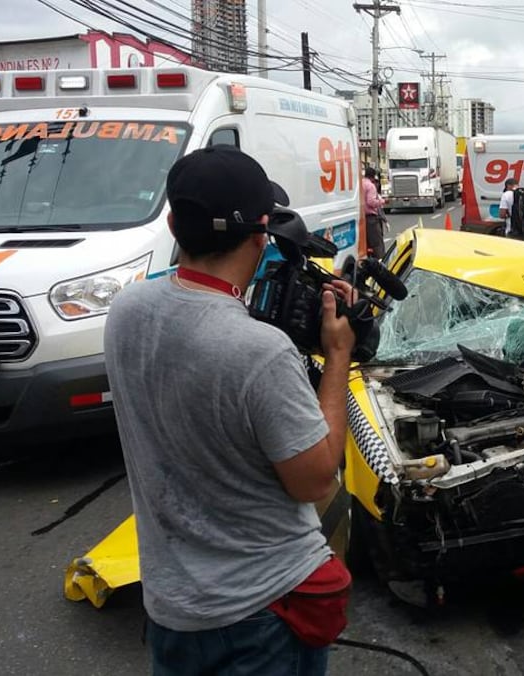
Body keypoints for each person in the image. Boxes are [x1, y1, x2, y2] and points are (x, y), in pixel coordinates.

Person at [104, 146, 356, 676]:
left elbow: (201, 351)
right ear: (262, 234)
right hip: (262, 616)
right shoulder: (259, 352)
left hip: (173, 610)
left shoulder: (125, 312)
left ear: (174, 223)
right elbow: (314, 482)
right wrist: (337, 357)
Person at [363, 165, 385, 256]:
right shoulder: (370, 186)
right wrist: (382, 201)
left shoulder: (360, 183)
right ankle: (381, 261)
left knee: (366, 243)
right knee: (377, 243)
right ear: (373, 176)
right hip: (370, 218)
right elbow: (371, 202)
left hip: (361, 217)